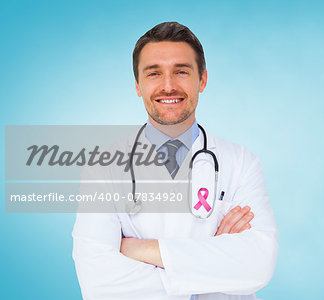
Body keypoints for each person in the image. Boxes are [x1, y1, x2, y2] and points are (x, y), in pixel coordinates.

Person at [72, 22, 278, 300]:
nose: (168, 86)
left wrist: (138, 250)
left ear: (202, 79)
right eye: (154, 73)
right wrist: (211, 260)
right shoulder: (103, 167)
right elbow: (98, 284)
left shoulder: (242, 163)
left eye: (181, 71)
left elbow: (257, 265)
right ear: (138, 86)